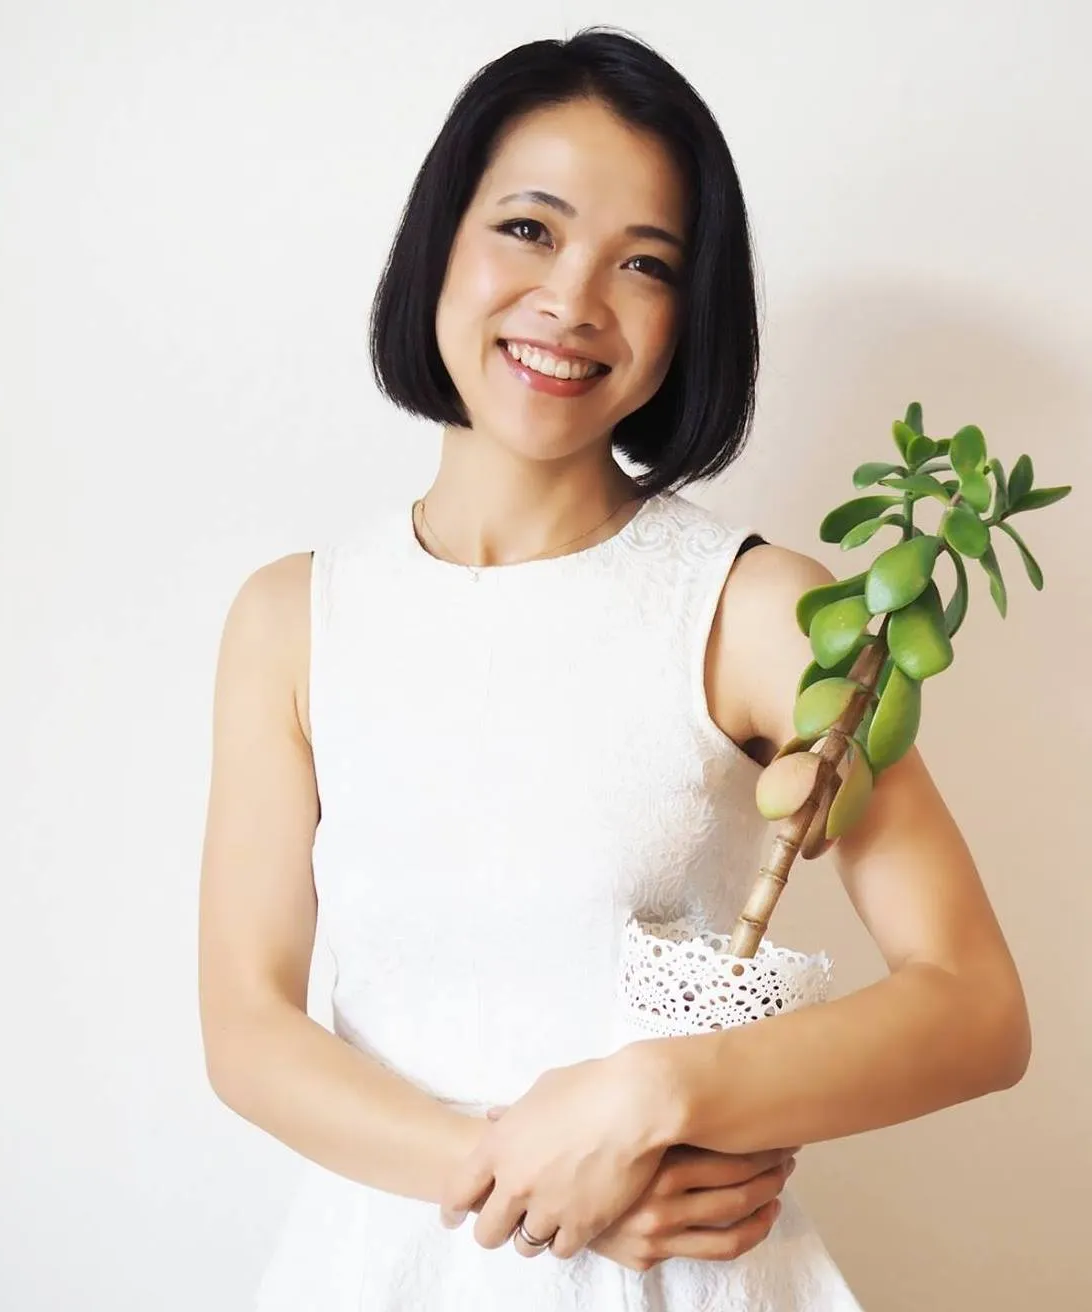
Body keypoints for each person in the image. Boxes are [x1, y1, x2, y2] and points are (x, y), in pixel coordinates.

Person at [198, 26, 1030, 1311]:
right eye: (528, 229)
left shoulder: (758, 610)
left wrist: (652, 1096)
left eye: (643, 263)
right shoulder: (290, 618)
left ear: (688, 317)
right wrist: (529, 1177)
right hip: (381, 1265)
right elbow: (248, 1030)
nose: (572, 300)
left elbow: (975, 1007)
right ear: (439, 243)